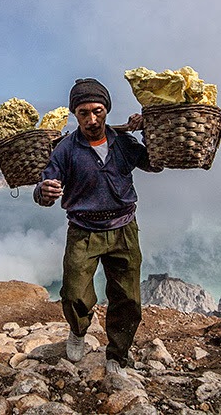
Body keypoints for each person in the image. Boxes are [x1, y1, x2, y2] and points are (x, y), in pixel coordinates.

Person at [33, 77, 162, 375]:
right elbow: (44, 189)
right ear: (74, 115)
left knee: (127, 297)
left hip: (124, 229)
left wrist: (148, 130)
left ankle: (117, 355)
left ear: (107, 109)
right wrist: (44, 191)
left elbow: (155, 164)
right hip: (83, 231)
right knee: (75, 292)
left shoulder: (124, 143)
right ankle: (78, 332)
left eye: (98, 111)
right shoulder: (65, 150)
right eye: (84, 113)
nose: (92, 119)